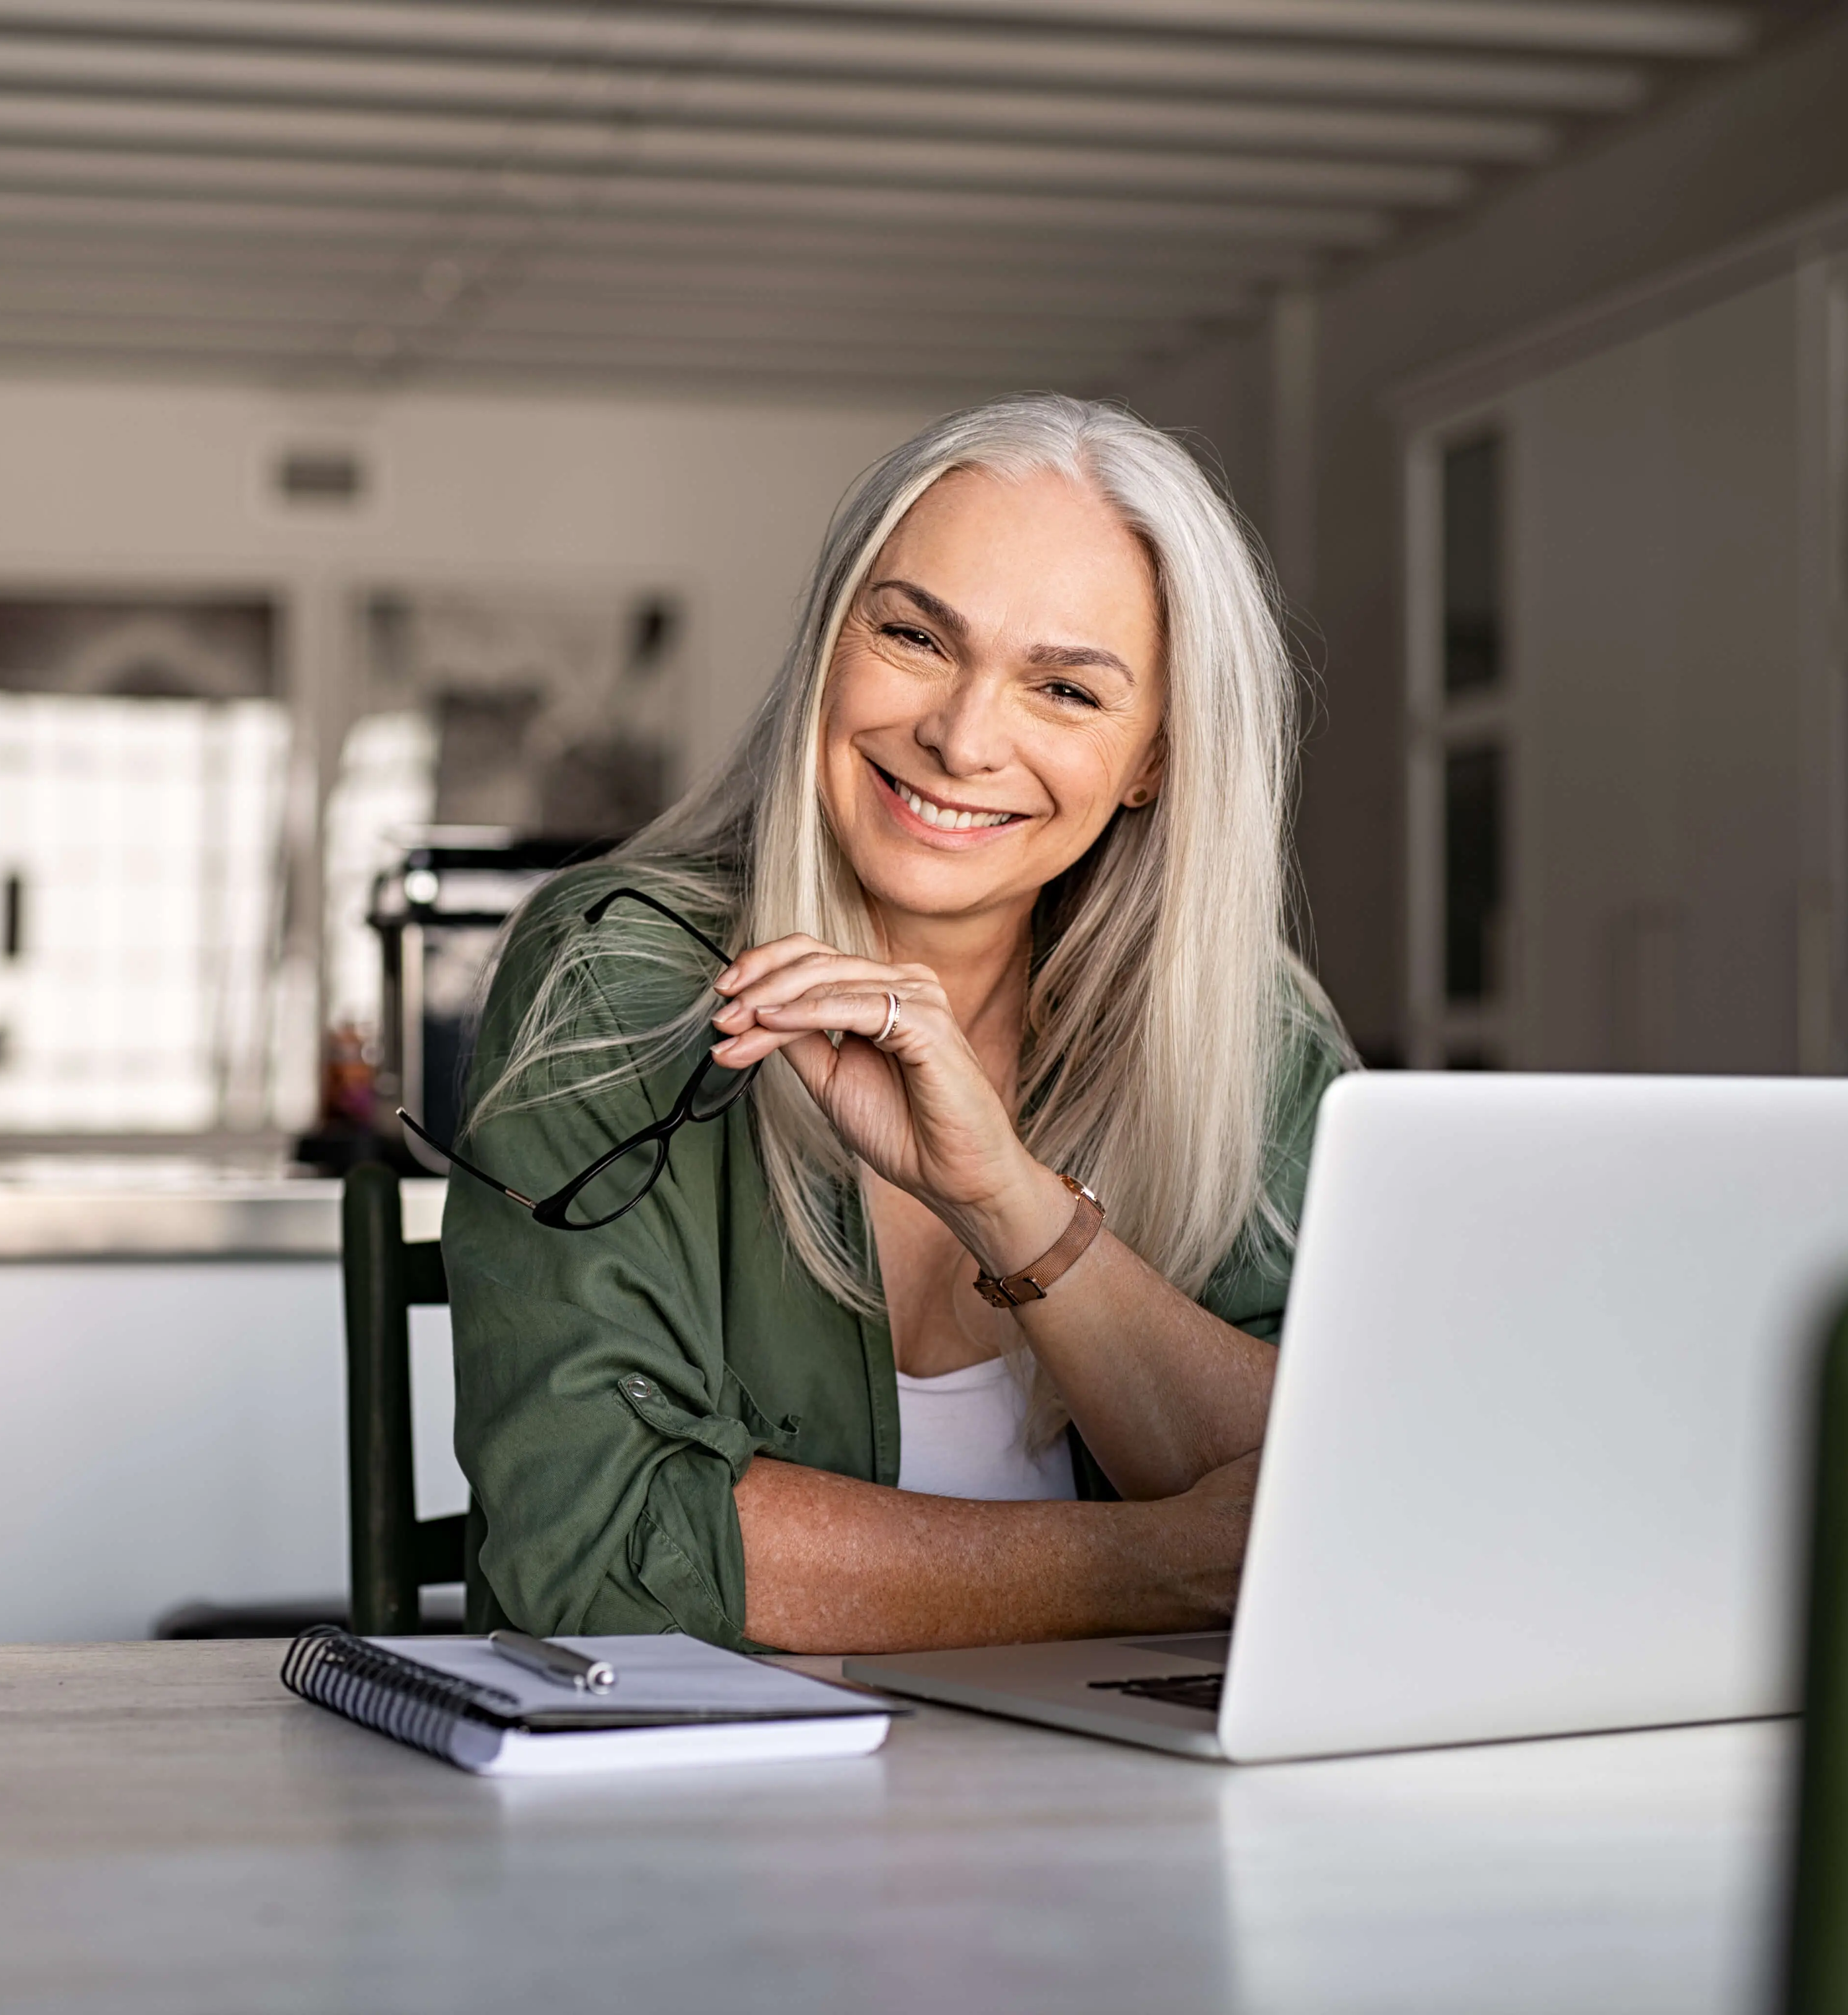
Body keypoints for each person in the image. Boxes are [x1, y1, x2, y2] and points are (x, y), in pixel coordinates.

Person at [429, 393, 1354, 1654]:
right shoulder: (620, 975)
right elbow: (598, 1555)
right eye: (917, 636)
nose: (963, 738)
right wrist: (1157, 1565)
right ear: (829, 643)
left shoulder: (1248, 1035)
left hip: (1135, 1821)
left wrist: (1009, 1204)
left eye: (1068, 691)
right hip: (692, 1826)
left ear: (1155, 761)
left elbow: (1359, 1510)